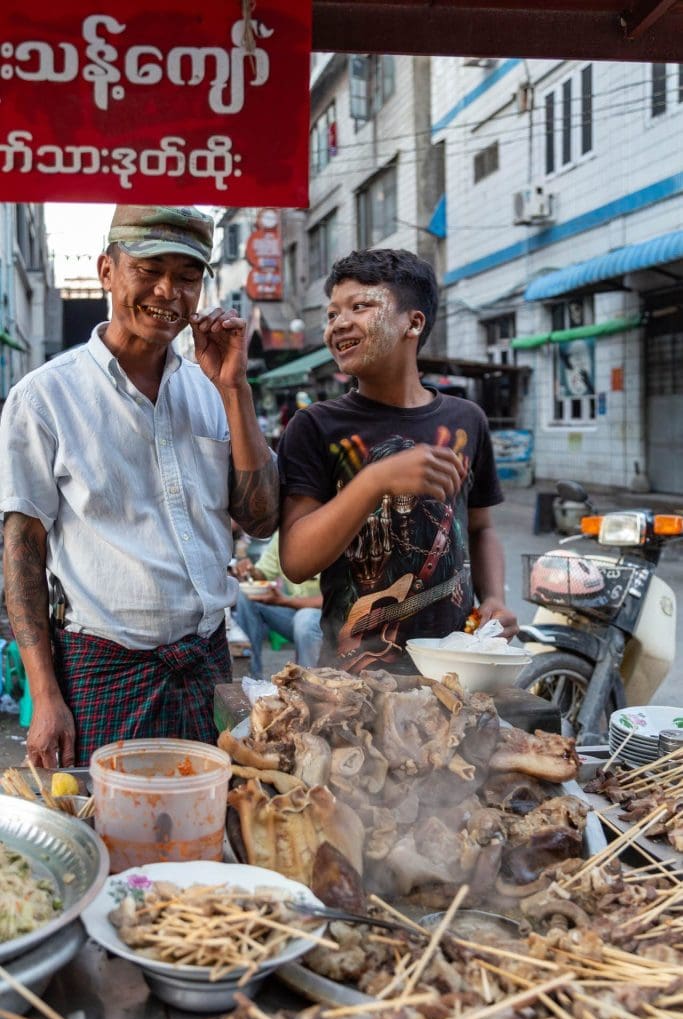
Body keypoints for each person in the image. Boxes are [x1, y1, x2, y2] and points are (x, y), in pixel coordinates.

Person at [0, 205, 279, 768]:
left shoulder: (211, 389)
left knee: (205, 837)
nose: (167, 291)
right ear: (107, 271)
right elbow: (21, 552)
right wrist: (46, 697)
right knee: (110, 840)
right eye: (148, 270)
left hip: (206, 664)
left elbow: (261, 519)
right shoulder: (44, 397)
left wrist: (234, 388)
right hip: (103, 670)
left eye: (187, 276)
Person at [277, 248, 517, 674]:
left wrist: (494, 596)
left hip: (455, 670)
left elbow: (480, 530)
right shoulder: (315, 426)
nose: (339, 324)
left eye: (360, 306)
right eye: (332, 314)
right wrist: (375, 481)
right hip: (351, 679)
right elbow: (296, 562)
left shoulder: (467, 421)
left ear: (413, 322)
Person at [232, 531, 322, 678]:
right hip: (292, 612)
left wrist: (287, 601)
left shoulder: (331, 533)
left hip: (326, 619)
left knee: (304, 618)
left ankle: (308, 685)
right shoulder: (284, 534)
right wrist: (250, 571)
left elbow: (337, 599)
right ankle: (252, 678)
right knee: (247, 597)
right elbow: (263, 573)